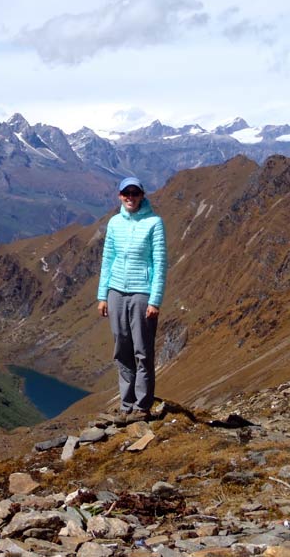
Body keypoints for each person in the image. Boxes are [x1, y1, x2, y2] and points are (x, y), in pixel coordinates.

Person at [96, 176, 167, 423]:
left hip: (141, 294)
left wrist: (154, 300)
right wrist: (102, 295)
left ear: (142, 195)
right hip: (116, 291)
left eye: (134, 193)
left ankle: (142, 406)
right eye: (126, 193)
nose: (130, 197)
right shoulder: (114, 223)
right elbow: (108, 260)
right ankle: (125, 406)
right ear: (119, 196)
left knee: (142, 351)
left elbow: (159, 263)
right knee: (122, 349)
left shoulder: (154, 223)